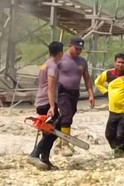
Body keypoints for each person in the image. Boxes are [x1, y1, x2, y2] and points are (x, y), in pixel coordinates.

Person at [56, 36, 95, 157]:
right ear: (70, 46)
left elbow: (87, 78)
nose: (78, 51)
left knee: (69, 116)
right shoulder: (60, 59)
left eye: (80, 49)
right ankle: (65, 145)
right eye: (76, 48)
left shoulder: (82, 61)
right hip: (62, 91)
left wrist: (91, 94)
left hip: (75, 92)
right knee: (66, 116)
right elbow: (50, 75)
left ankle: (58, 139)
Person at [28, 41, 64, 170]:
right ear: (60, 53)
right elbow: (50, 87)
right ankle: (35, 154)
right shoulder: (52, 67)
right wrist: (52, 106)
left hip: (41, 101)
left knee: (46, 131)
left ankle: (45, 159)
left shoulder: (44, 64)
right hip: (46, 103)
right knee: (54, 131)